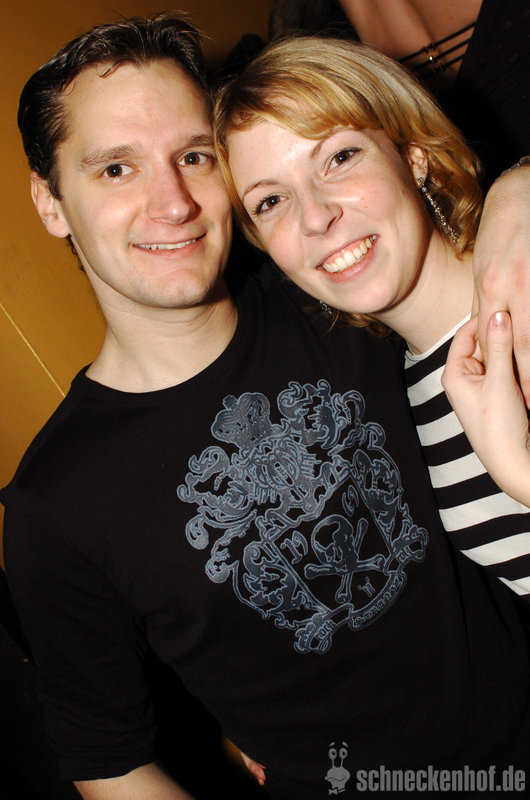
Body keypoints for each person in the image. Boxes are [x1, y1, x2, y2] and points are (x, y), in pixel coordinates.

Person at [3, 12, 530, 800]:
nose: (173, 203)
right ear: (49, 202)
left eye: (193, 157)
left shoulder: (335, 291)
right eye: (116, 169)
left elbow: (427, 215)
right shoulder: (55, 502)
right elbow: (109, 760)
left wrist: (518, 189)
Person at [213, 35, 530, 600]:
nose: (315, 217)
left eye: (339, 158)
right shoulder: (393, 400)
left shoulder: (522, 290)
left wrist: (517, 472)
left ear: (413, 157)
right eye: (270, 201)